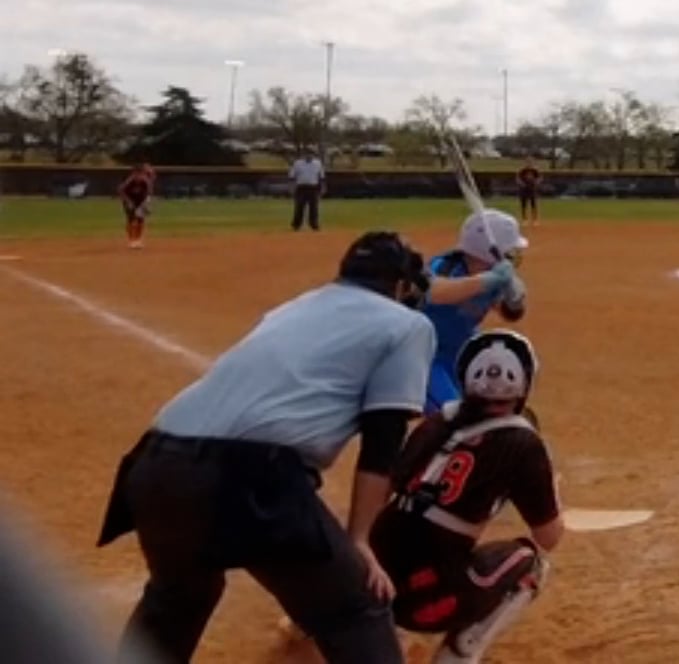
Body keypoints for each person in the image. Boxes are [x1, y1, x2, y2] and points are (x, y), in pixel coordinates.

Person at [96, 231, 439, 663]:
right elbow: (383, 440)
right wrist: (360, 540)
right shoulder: (407, 325)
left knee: (179, 596)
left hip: (155, 463)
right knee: (355, 608)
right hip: (248, 478)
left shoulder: (296, 306)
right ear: (401, 285)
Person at [375, 330, 560, 662]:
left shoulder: (434, 423)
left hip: (372, 589)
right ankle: (458, 655)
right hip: (429, 603)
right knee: (531, 564)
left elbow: (384, 491)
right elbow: (549, 536)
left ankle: (354, 632)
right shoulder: (522, 442)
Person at [420, 209, 531, 416]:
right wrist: (486, 281)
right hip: (426, 355)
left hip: (462, 352)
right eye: (509, 251)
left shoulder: (497, 276)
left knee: (484, 409)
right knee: (453, 415)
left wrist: (514, 300)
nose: (512, 257)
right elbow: (434, 292)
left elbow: (511, 314)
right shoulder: (446, 266)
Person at [119, 163, 156, 249]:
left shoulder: (145, 182)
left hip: (140, 201)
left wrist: (146, 205)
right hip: (129, 200)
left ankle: (138, 240)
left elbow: (149, 193)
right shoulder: (129, 181)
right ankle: (131, 240)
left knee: (140, 220)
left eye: (140, 174)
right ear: (133, 173)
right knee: (131, 219)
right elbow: (121, 191)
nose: (138, 176)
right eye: (136, 174)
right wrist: (128, 202)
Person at [290, 149, 326, 231]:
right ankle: (296, 224)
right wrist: (292, 187)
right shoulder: (298, 163)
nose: (309, 155)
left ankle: (314, 224)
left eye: (311, 154)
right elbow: (292, 176)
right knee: (299, 206)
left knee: (314, 207)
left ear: (313, 155)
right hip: (301, 187)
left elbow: (321, 177)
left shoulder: (318, 163)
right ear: (304, 154)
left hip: (313, 187)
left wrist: (323, 187)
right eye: (307, 153)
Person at [515, 160, 541, 226]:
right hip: (524, 190)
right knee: (524, 205)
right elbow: (517, 178)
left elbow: (539, 178)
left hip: (532, 190)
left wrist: (537, 182)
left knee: (533, 205)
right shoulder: (522, 170)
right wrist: (521, 184)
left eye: (530, 163)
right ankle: (525, 220)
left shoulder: (535, 170)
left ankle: (535, 220)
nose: (529, 164)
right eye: (527, 163)